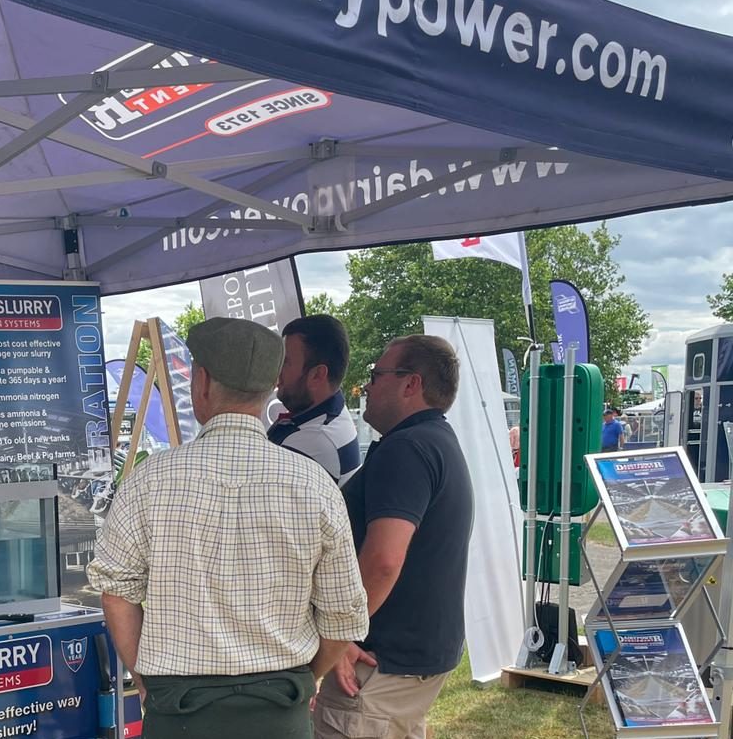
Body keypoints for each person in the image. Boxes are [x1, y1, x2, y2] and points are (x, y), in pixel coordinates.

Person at [88, 317, 368, 739]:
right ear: (270, 388)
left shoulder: (149, 481)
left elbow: (117, 594)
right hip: (280, 713)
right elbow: (343, 618)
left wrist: (146, 681)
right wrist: (303, 681)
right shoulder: (315, 486)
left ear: (201, 382)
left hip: (179, 713)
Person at [314, 335, 473, 739]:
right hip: (407, 658)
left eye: (376, 374)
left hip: (377, 660)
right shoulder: (435, 441)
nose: (366, 386)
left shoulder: (407, 449)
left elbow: (384, 559)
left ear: (410, 384)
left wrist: (340, 636)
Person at [269, 314, 361, 484]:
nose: (277, 372)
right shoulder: (328, 418)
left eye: (285, 362)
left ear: (317, 375)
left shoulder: (314, 440)